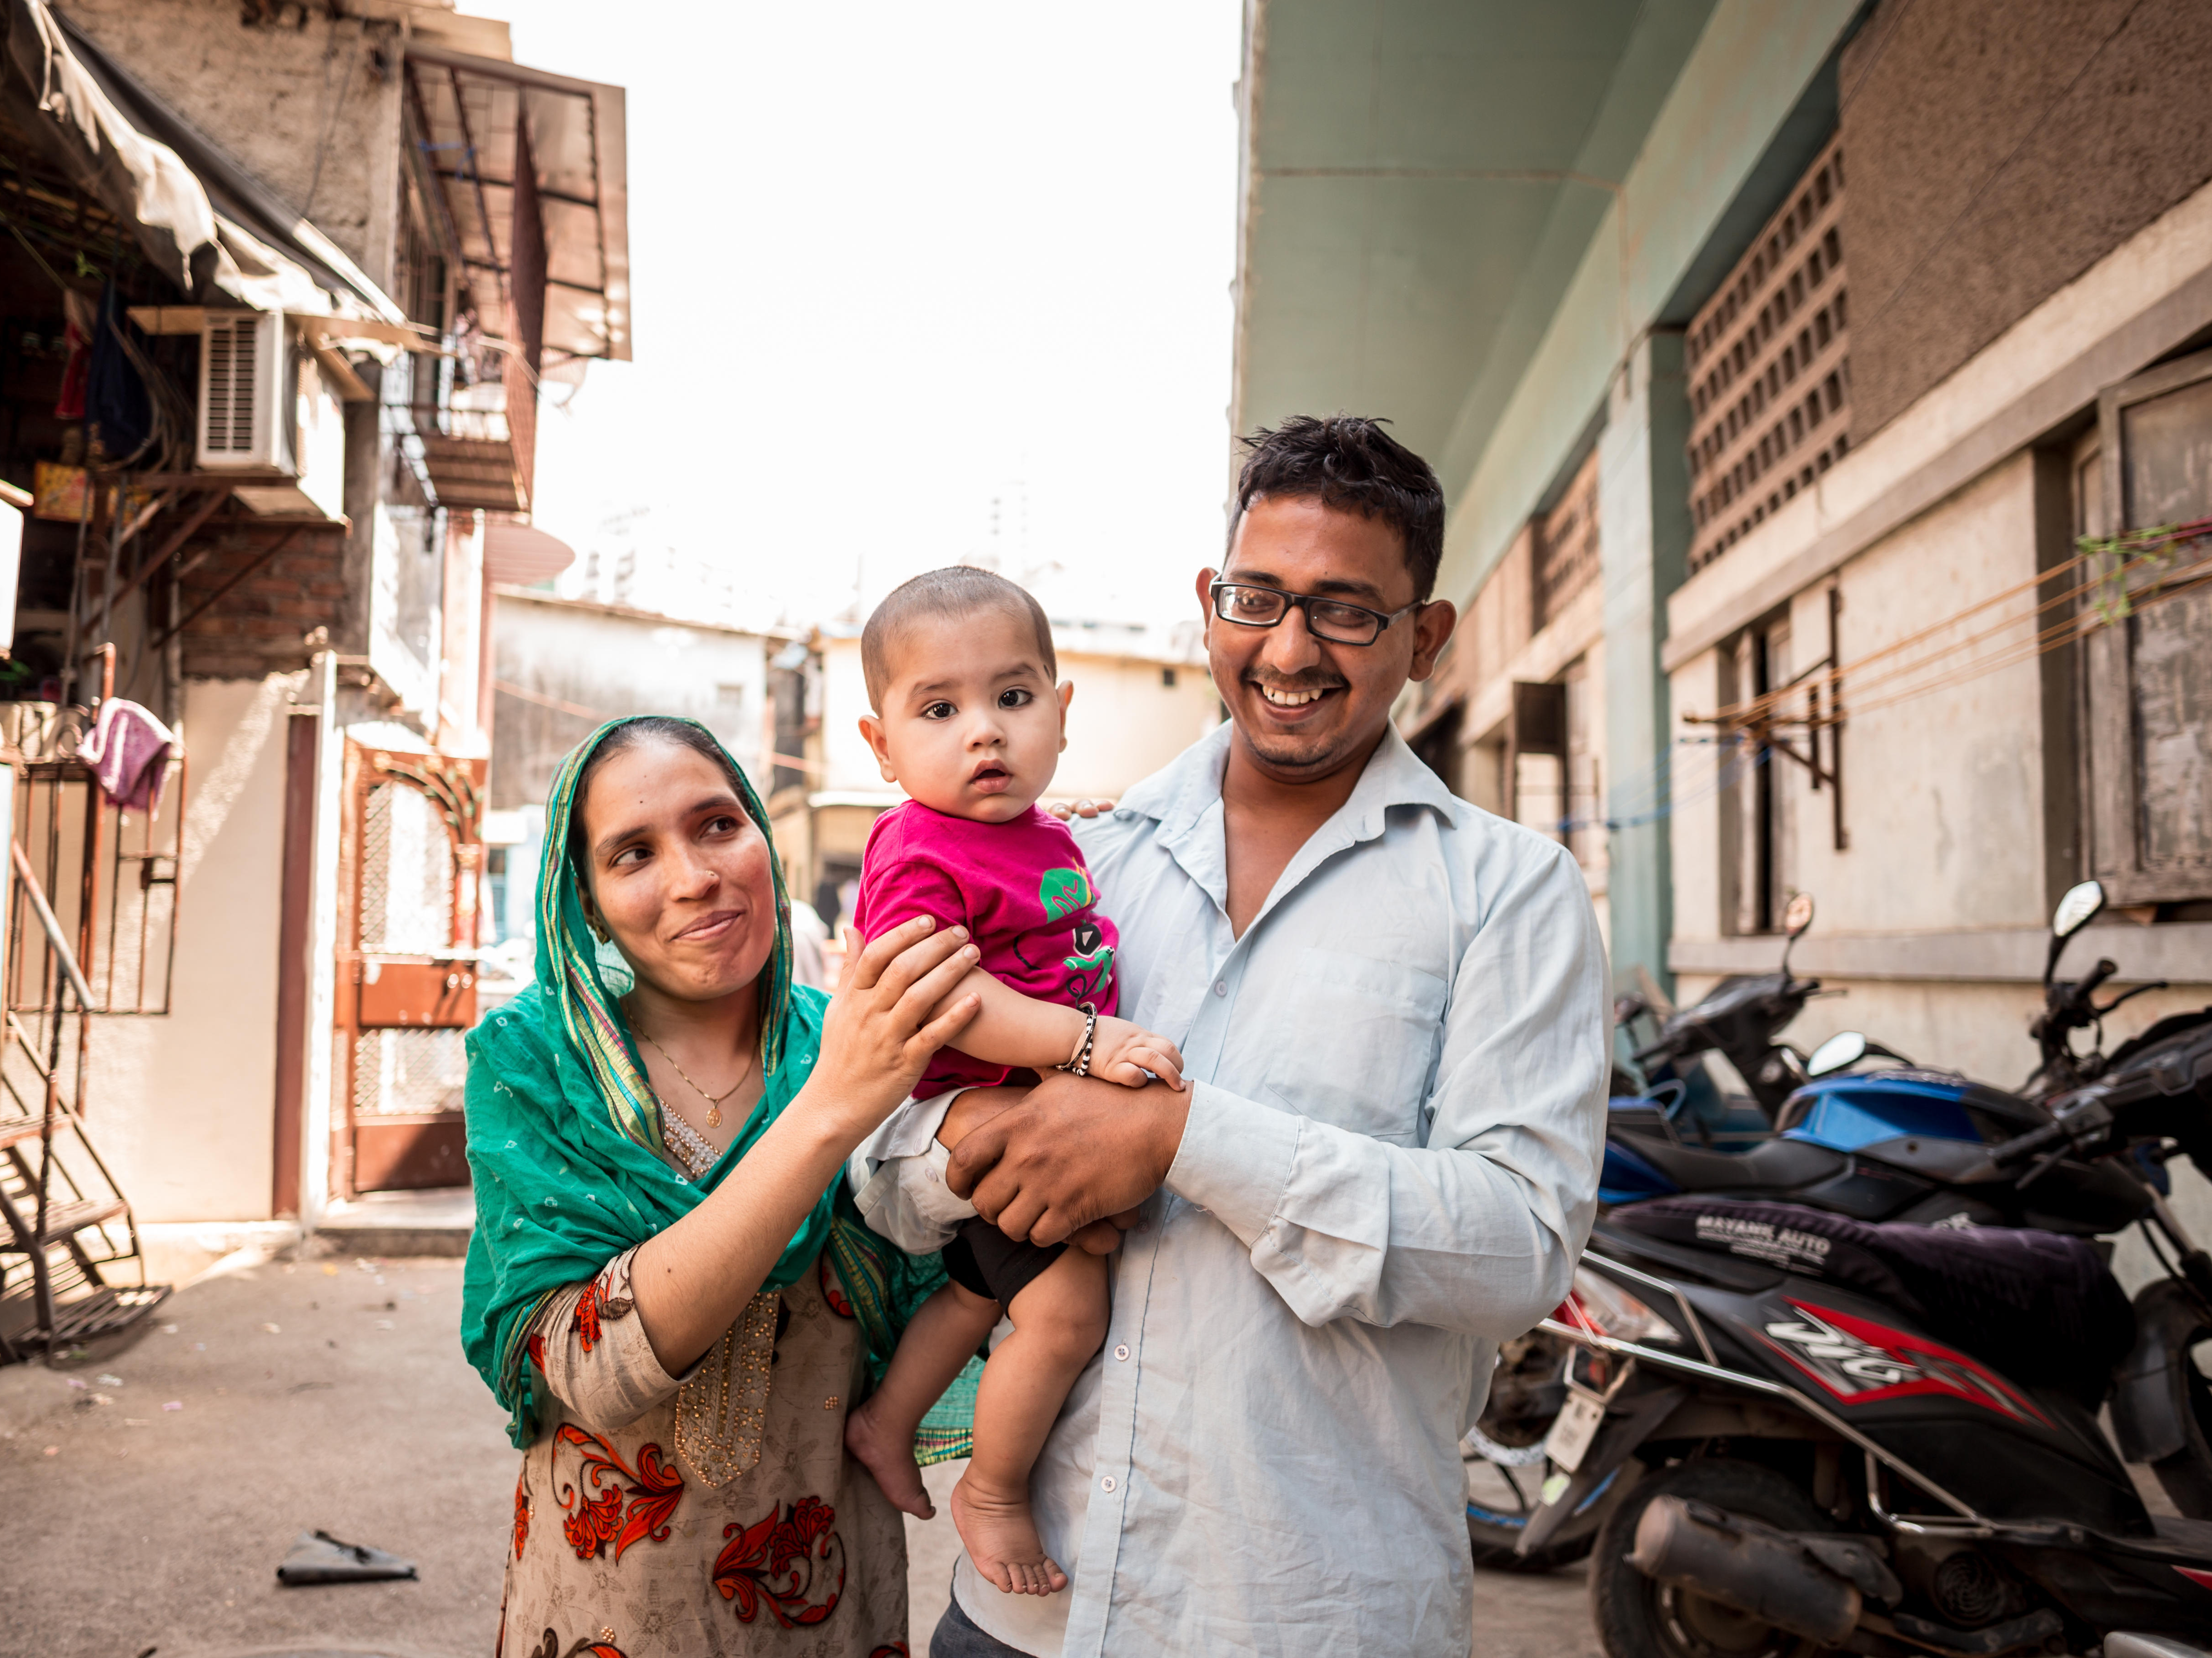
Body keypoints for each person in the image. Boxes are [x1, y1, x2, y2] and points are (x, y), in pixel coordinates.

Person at [892, 416, 1611, 1656]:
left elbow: (1520, 1248)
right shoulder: (1079, 863)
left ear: (1425, 637)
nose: (1288, 649)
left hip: (1304, 1617)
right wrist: (985, 1128)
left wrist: (1182, 1140)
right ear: (1209, 602)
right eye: (1257, 598)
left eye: (1345, 611)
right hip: (1027, 1617)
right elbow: (879, 1168)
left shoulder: (1510, 893)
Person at [461, 714, 987, 1658]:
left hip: (833, 1606)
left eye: (716, 825)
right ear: (585, 900)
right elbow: (588, 1369)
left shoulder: (872, 1039)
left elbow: (974, 1272)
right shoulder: (538, 1065)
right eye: (632, 854)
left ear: (761, 837)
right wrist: (826, 1112)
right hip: (607, 1616)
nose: (695, 876)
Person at [830, 569, 1188, 1600]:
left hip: (1017, 1108)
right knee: (1068, 1309)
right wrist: (1084, 1045)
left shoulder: (1049, 836)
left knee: (981, 1289)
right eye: (939, 710)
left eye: (1013, 700)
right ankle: (992, 1491)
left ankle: (887, 1422)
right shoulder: (914, 843)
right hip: (939, 1119)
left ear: (1062, 715)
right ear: (883, 746)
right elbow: (949, 998)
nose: (982, 732)